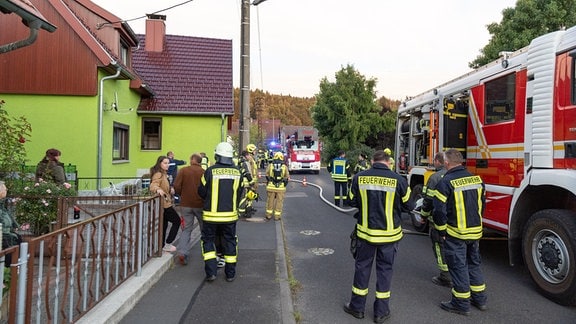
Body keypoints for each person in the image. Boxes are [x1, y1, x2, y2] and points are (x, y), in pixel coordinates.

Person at [344, 150, 412, 323]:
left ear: (373, 161)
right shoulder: (399, 180)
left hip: (366, 234)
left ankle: (357, 308)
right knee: (385, 271)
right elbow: (408, 205)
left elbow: (350, 200)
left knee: (362, 268)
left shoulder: (359, 177)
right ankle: (381, 312)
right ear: (388, 162)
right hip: (390, 237)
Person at [433, 149, 487, 316]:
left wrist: (441, 230)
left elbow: (439, 211)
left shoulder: (445, 182)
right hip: (475, 232)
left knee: (458, 267)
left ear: (446, 163)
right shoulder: (477, 179)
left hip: (456, 233)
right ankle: (480, 299)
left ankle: (461, 303)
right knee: (474, 264)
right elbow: (482, 205)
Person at [198, 142, 243, 282]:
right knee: (230, 242)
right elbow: (240, 192)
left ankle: (211, 273)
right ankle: (230, 274)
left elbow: (201, 192)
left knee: (208, 241)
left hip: (210, 216)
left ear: (217, 155)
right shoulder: (237, 172)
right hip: (230, 217)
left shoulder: (210, 171)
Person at [419, 152, 451, 287]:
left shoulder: (434, 178)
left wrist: (423, 216)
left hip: (438, 221)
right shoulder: (456, 176)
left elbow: (428, 200)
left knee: (439, 247)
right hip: (456, 221)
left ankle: (445, 276)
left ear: (438, 162)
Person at [173, 153, 205, 265]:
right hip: (200, 204)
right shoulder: (203, 172)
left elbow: (176, 186)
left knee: (186, 229)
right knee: (204, 229)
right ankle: (207, 252)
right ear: (200, 161)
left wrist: (182, 194)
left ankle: (182, 252)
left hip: (185, 204)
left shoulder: (183, 171)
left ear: (191, 160)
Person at [149, 156, 181, 253]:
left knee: (164, 225)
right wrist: (158, 189)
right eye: (165, 163)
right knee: (177, 221)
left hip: (165, 203)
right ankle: (168, 243)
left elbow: (164, 185)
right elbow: (153, 185)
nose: (167, 165)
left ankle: (161, 245)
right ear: (160, 164)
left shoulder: (164, 174)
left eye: (168, 163)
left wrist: (170, 190)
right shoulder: (158, 174)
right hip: (164, 204)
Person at [0, 181, 22, 267]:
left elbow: (8, 216)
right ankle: (9, 269)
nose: (6, 190)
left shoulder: (2, 204)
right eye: (5, 189)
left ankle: (12, 268)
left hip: (7, 233)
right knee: (11, 243)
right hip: (4, 235)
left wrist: (15, 225)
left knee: (17, 238)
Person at [265, 152, 289, 221]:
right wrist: (284, 184)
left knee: (270, 201)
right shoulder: (284, 167)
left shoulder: (270, 165)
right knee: (279, 202)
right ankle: (277, 216)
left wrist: (269, 181)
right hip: (280, 188)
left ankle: (268, 215)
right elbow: (287, 177)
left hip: (271, 187)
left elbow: (266, 175)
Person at [237, 150, 257, 218]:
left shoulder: (239, 162)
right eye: (248, 155)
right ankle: (241, 212)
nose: (249, 157)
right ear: (246, 156)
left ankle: (247, 211)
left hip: (241, 182)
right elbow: (247, 173)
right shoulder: (245, 163)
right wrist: (252, 182)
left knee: (247, 197)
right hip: (246, 184)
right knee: (244, 198)